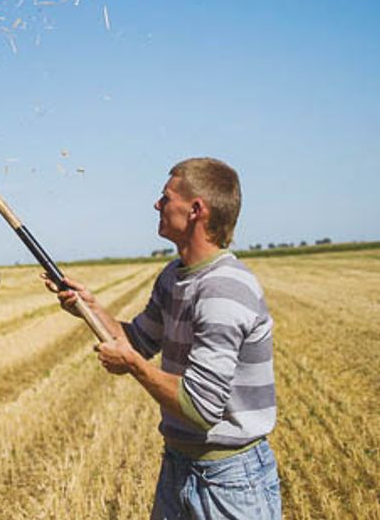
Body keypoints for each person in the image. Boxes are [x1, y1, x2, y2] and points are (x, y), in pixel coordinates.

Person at [46, 157, 280, 519]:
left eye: (166, 197)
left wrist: (135, 368)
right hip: (177, 467)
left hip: (229, 482)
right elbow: (138, 339)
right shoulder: (174, 275)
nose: (157, 205)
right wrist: (88, 308)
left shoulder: (224, 289)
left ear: (195, 210)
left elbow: (201, 408)